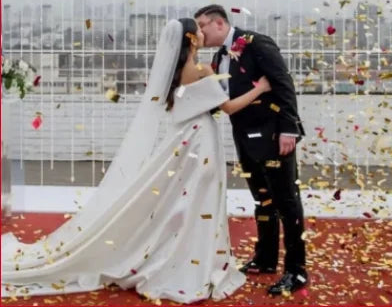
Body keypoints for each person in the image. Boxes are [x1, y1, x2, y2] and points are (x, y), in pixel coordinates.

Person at [1, 18, 272, 304]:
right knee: (199, 201)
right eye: (199, 31)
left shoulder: (175, 73)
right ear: (192, 40)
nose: (204, 34)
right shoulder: (203, 70)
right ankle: (194, 260)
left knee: (183, 200)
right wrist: (261, 88)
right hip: (201, 140)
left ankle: (181, 256)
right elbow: (228, 107)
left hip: (184, 138)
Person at [194, 5, 308, 295]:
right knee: (263, 199)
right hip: (244, 138)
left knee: (287, 202)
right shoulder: (219, 56)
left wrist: (289, 129)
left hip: (273, 135)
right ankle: (266, 258)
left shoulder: (257, 43)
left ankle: (296, 270)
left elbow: (283, 84)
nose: (200, 32)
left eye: (203, 25)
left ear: (219, 23)